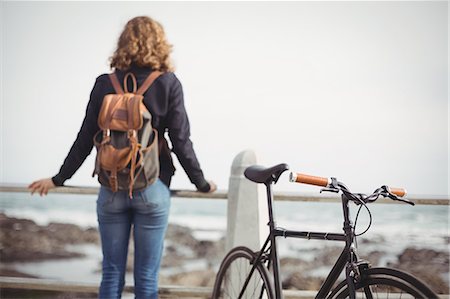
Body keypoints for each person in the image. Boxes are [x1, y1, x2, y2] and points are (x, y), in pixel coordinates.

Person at [29, 16, 217, 299]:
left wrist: (58, 179)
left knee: (111, 273)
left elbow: (84, 139)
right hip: (153, 188)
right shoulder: (168, 83)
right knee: (146, 278)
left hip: (111, 186)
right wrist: (201, 183)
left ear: (123, 43)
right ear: (161, 44)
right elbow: (181, 141)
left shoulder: (105, 83)